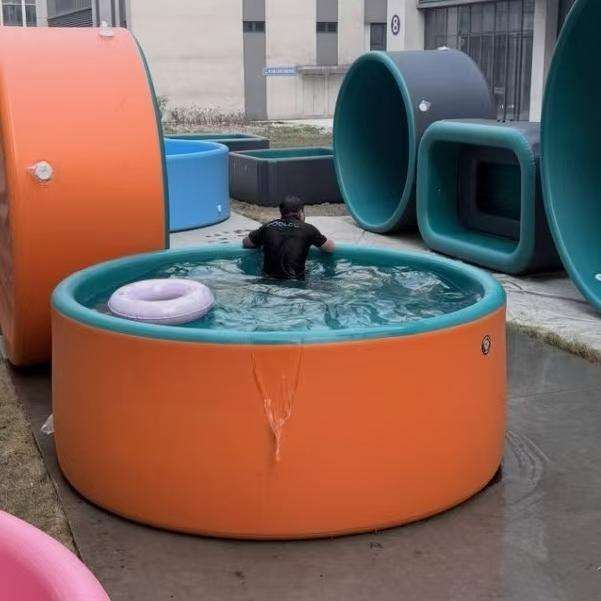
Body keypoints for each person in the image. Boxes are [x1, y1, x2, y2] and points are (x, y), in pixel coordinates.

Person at [242, 196, 335, 279]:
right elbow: (330, 248)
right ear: (300, 212)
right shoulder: (308, 229)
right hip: (294, 283)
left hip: (268, 280)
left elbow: (246, 242)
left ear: (281, 212)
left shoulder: (267, 227)